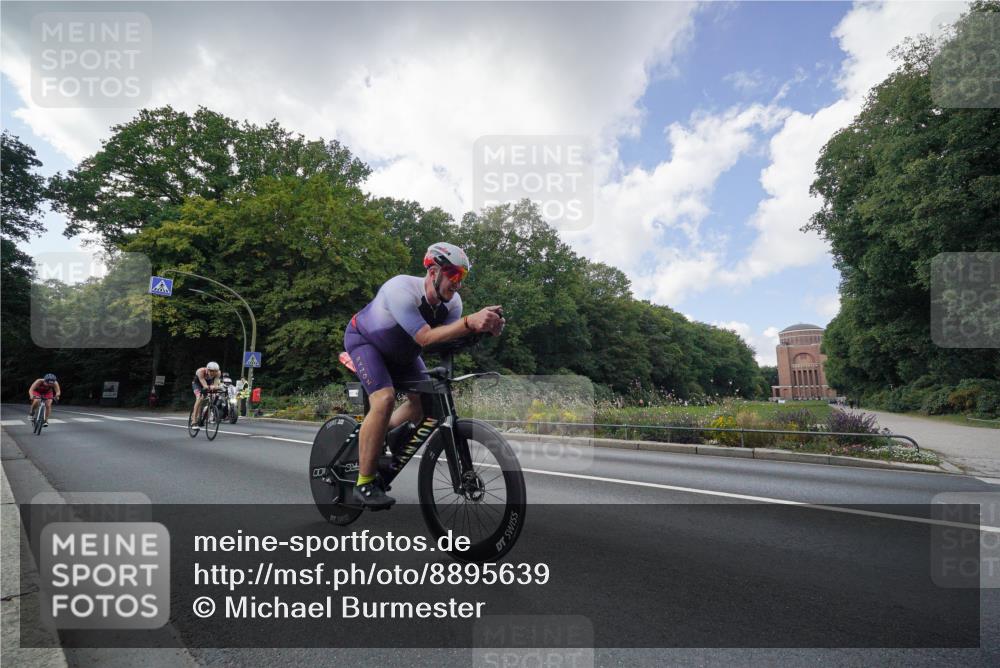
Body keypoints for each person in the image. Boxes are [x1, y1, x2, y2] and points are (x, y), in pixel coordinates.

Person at [344, 242, 504, 509]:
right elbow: (426, 337)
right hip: (365, 342)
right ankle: (364, 483)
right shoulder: (401, 290)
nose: (457, 284)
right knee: (384, 399)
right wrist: (468, 323)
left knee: (424, 402)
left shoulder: (453, 304)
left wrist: (481, 330)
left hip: (404, 352)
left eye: (461, 277)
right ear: (433, 271)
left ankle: (381, 434)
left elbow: (445, 340)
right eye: (453, 274)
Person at [191, 362, 222, 426]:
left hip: (208, 383)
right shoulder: (200, 371)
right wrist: (211, 387)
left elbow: (216, 384)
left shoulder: (218, 373)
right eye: (211, 371)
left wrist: (217, 387)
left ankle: (206, 414)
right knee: (199, 398)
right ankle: (194, 420)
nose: (213, 373)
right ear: (207, 370)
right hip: (197, 384)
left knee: (214, 395)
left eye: (215, 372)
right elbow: (204, 385)